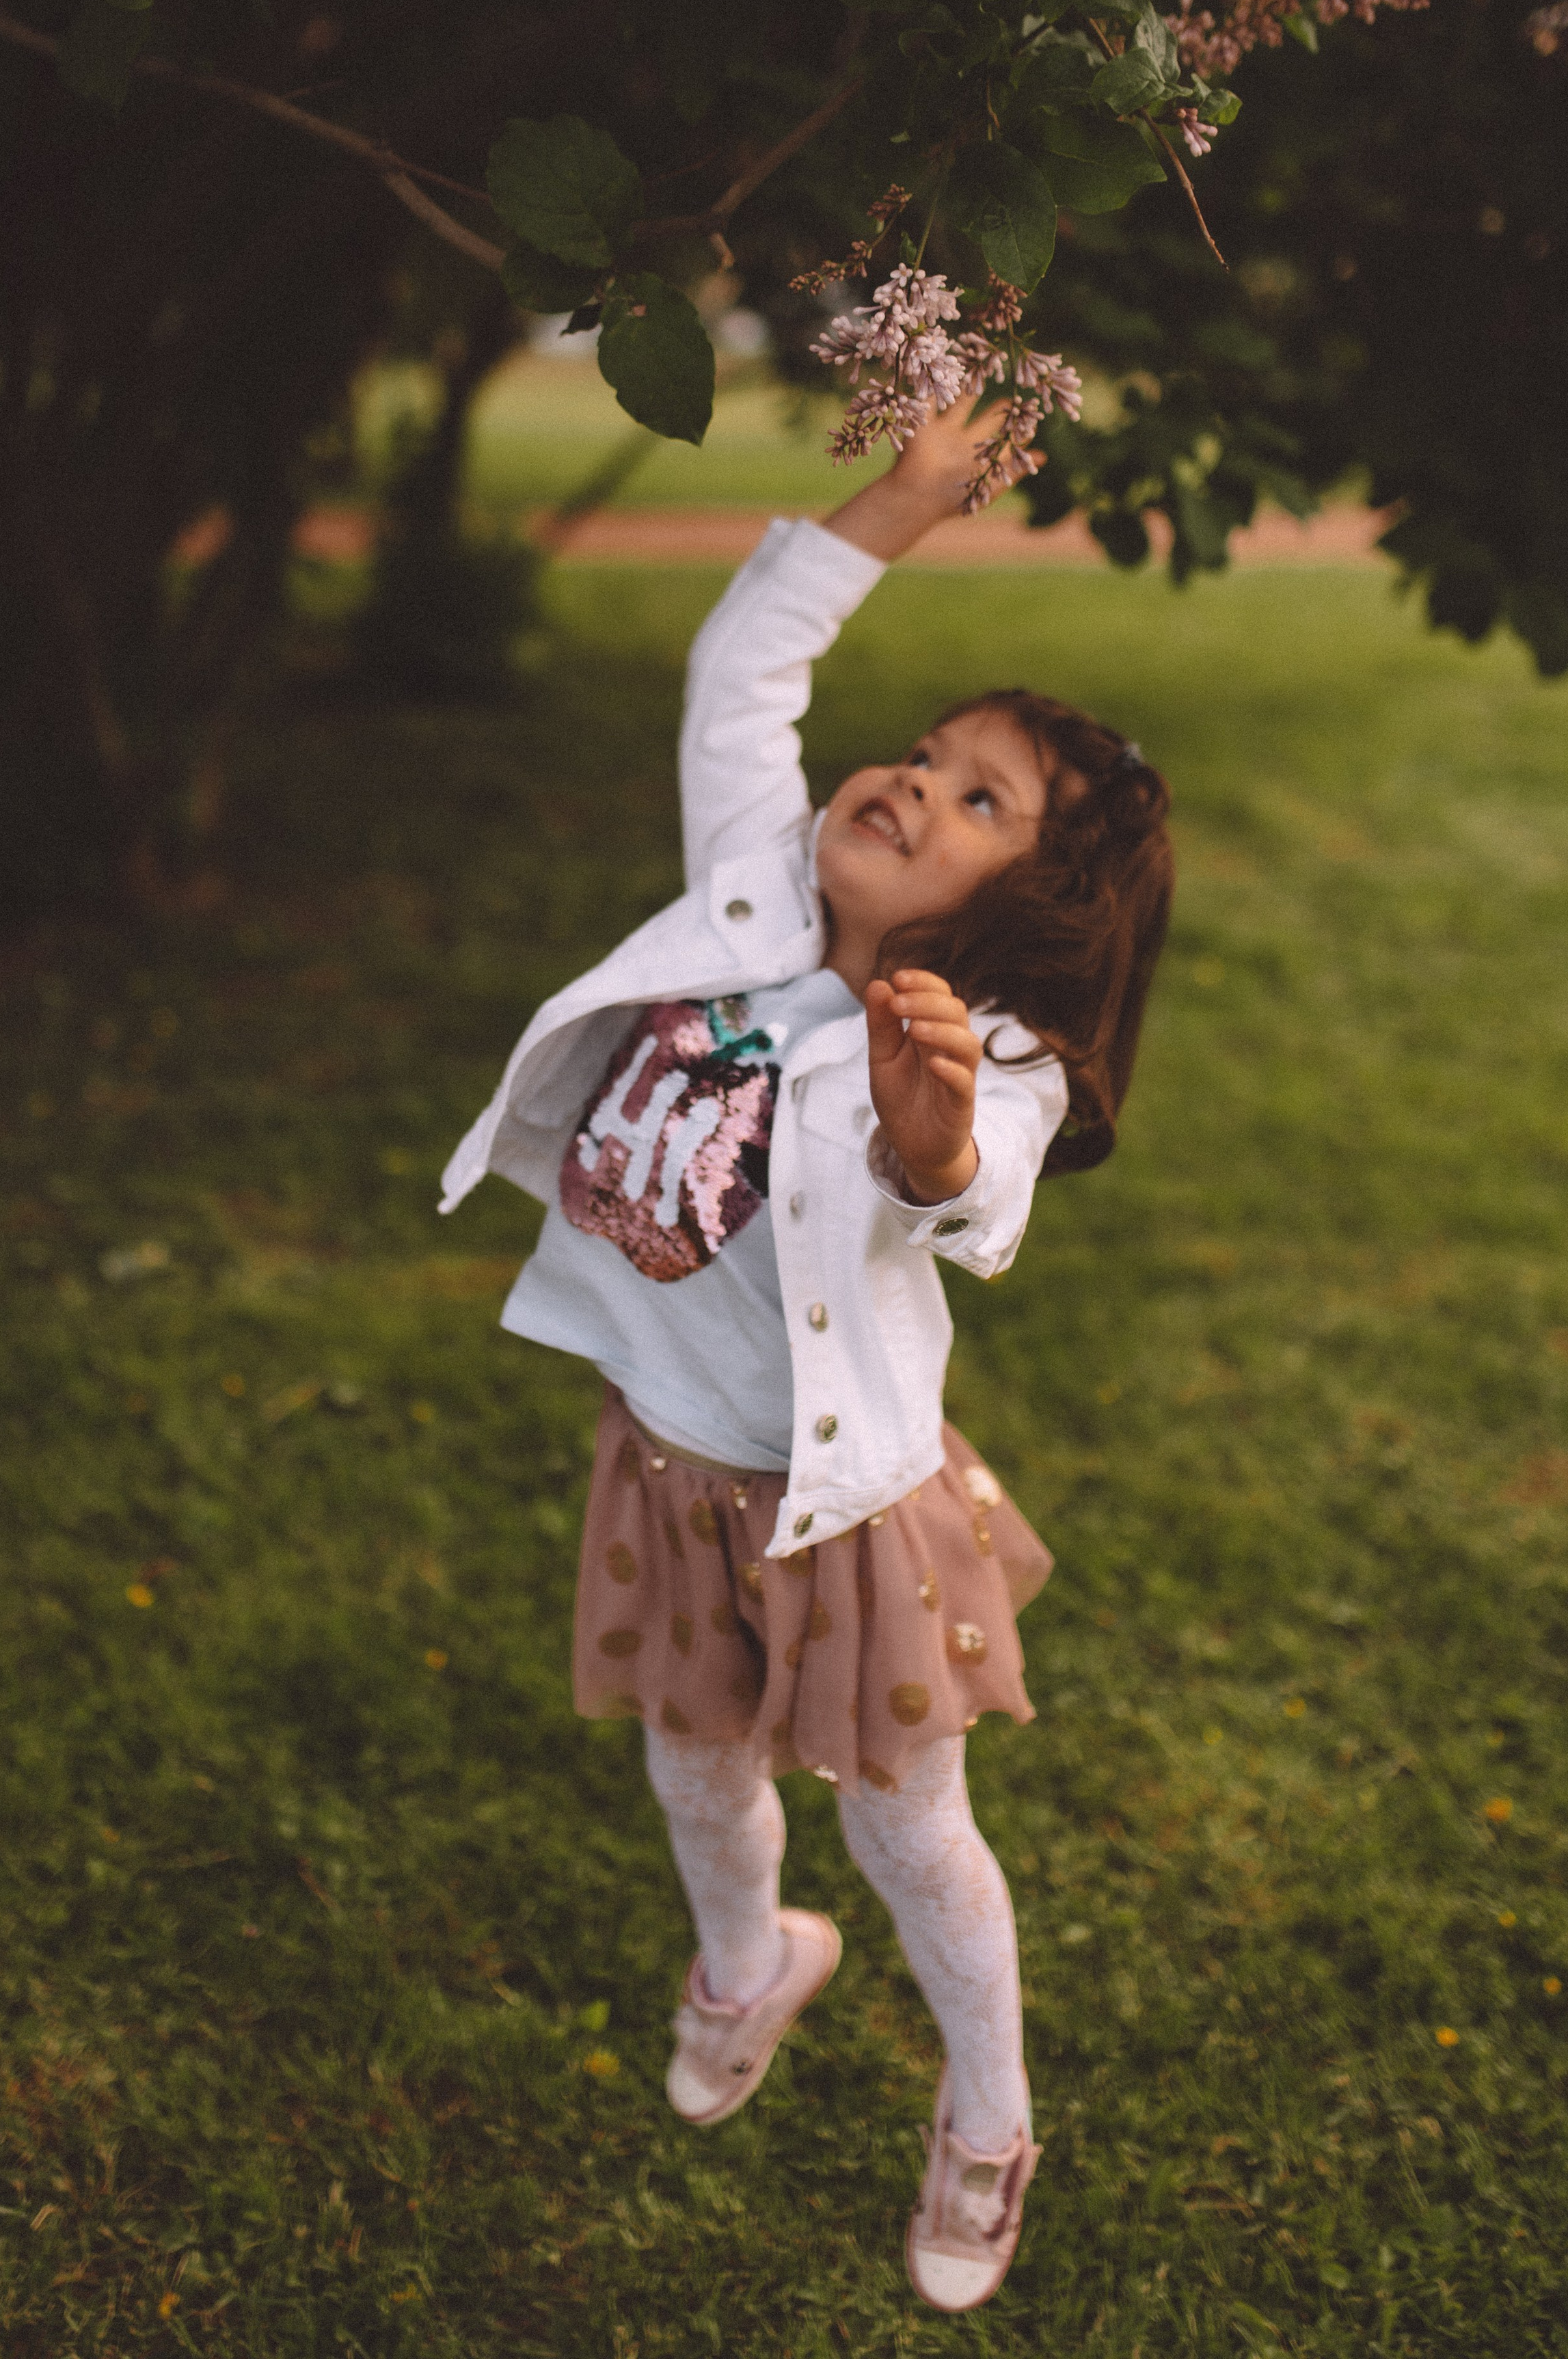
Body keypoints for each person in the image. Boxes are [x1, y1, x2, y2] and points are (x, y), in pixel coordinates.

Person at [439, 392, 1174, 2311]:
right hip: (669, 1454)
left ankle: (993, 2115)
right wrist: (910, 495)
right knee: (693, 1764)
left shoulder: (980, 1054)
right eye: (928, 755)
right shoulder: (758, 890)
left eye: (980, 800)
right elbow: (742, 664)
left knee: (911, 1826)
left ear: (1027, 910)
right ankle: (751, 1961)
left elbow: (964, 1190)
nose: (916, 786)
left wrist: (928, 1123)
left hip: (843, 1509)